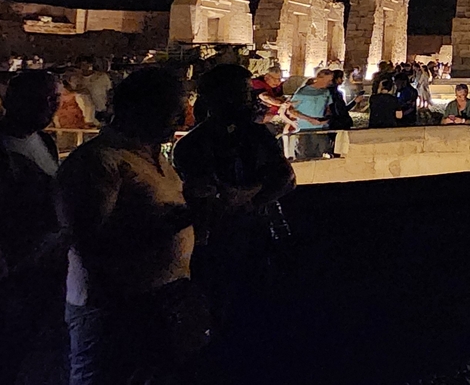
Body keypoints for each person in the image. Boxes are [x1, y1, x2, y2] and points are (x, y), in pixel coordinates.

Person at [57, 67, 209, 384]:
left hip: (162, 299)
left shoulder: (155, 157)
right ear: (141, 108)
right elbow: (90, 243)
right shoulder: (99, 161)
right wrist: (182, 218)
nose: (182, 120)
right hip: (112, 309)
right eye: (173, 111)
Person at [172, 65, 295, 357]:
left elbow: (286, 178)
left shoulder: (255, 136)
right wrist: (251, 196)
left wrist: (249, 199)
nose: (247, 100)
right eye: (240, 94)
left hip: (256, 237)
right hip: (219, 242)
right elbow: (207, 194)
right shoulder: (195, 145)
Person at [0, 71, 67, 385]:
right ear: (11, 101)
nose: (50, 107)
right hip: (13, 267)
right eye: (42, 99)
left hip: (43, 262)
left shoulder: (45, 141)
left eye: (55, 99)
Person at [288, 71, 334, 160]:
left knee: (322, 156)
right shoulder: (302, 92)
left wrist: (326, 119)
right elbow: (291, 110)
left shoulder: (326, 92)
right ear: (319, 78)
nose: (330, 83)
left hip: (321, 130)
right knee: (304, 156)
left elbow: (328, 108)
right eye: (328, 80)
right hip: (304, 130)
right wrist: (309, 119)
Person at [251, 66, 289, 133]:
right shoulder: (257, 83)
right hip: (255, 115)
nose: (278, 82)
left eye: (279, 79)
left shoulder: (278, 87)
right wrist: (281, 104)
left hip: (271, 117)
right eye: (274, 79)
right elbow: (265, 97)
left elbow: (279, 98)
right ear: (266, 77)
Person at [76, 56, 114, 124]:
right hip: (83, 112)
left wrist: (110, 106)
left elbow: (110, 92)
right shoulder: (76, 78)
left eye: (88, 64)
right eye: (83, 65)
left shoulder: (102, 77)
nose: (85, 67)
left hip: (101, 110)